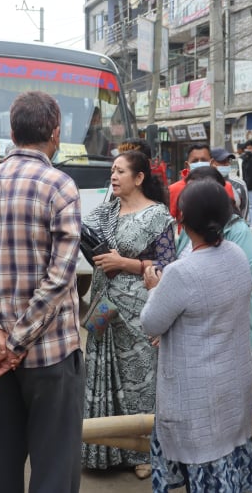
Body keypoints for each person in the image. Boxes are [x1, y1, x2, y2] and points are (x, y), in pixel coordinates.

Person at [0, 90, 85, 493]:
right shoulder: (60, 186)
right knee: (54, 467)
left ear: (12, 132)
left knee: (0, 466)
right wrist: (15, 344)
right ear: (56, 132)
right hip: (50, 356)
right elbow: (60, 278)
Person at [141, 179, 252, 493]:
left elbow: (151, 323)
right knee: (230, 466)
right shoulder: (235, 254)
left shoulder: (182, 272)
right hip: (232, 386)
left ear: (181, 221)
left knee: (203, 477)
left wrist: (154, 290)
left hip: (196, 399)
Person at [82, 149, 175, 478]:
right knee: (97, 367)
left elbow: (168, 267)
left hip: (138, 308)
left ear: (139, 178)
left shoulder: (158, 216)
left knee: (140, 379)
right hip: (103, 303)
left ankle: (142, 452)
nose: (114, 176)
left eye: (121, 171)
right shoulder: (102, 214)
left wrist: (126, 264)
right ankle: (100, 448)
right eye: (112, 171)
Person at [176, 166, 252, 402]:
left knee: (232, 409)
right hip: (195, 334)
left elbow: (241, 283)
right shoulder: (189, 229)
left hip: (230, 333)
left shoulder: (238, 232)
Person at [167, 143, 233, 219]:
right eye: (195, 161)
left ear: (211, 163)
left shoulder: (225, 186)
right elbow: (170, 221)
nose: (199, 163)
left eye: (203, 160)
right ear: (187, 165)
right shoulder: (174, 189)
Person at [210, 146, 249, 220]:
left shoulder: (239, 184)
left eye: (228, 161)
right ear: (211, 162)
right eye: (222, 161)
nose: (226, 164)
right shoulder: (203, 184)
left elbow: (244, 212)